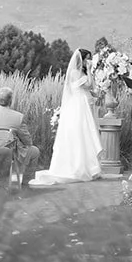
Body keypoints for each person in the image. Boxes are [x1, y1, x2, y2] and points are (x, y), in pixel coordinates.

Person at [28, 48, 104, 185]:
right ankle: (77, 168)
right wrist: (90, 71)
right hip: (79, 106)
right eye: (86, 58)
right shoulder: (75, 72)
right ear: (81, 59)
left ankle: (90, 167)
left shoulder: (81, 72)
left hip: (84, 104)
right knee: (81, 133)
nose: (88, 61)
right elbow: (88, 84)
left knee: (86, 133)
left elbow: (88, 89)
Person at [0, 86, 41, 187]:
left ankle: (0, 180)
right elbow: (28, 141)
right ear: (10, 100)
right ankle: (25, 184)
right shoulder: (18, 117)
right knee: (34, 151)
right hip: (8, 153)